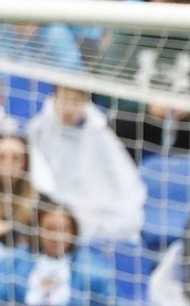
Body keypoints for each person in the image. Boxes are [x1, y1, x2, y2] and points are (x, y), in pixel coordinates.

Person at [27, 85, 147, 243]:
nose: (69, 109)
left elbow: (124, 177)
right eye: (64, 100)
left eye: (76, 102)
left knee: (131, 218)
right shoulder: (39, 130)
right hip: (54, 205)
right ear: (54, 99)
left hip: (96, 206)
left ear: (86, 103)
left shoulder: (99, 133)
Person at [98, 0, 190, 156]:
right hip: (138, 119)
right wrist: (145, 106)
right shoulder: (129, 31)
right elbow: (106, 88)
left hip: (183, 119)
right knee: (122, 123)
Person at [0, 201, 115, 306]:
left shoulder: (93, 269)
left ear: (74, 232)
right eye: (50, 229)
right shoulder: (14, 262)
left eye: (63, 229)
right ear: (38, 231)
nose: (56, 236)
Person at [0, 133, 44, 262]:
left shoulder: (41, 202)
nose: (8, 164)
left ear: (25, 163)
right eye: (2, 157)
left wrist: (9, 229)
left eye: (16, 158)